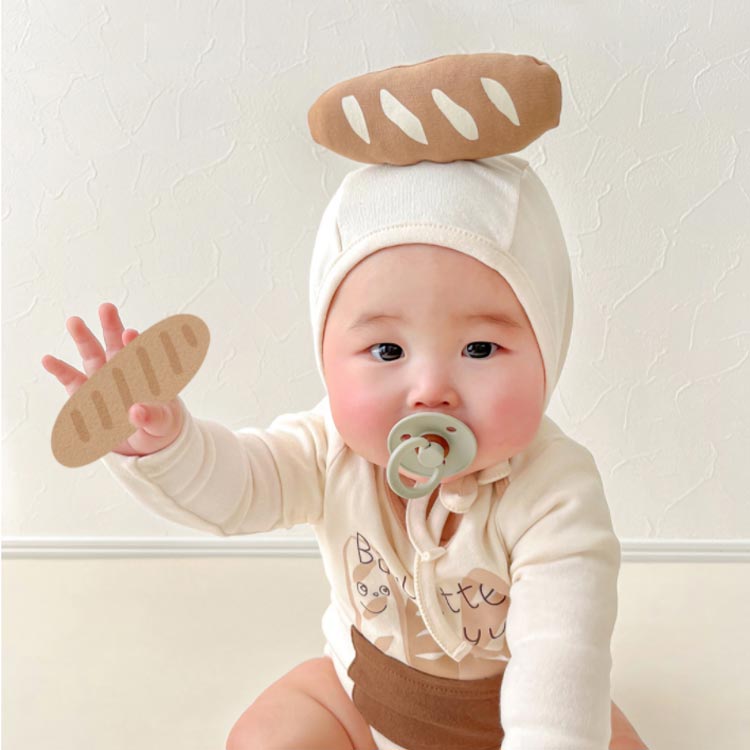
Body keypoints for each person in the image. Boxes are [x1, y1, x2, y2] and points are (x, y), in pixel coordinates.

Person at [42, 156, 648, 749]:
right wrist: (168, 446)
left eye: (480, 349)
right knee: (265, 738)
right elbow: (242, 487)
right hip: (363, 703)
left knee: (581, 724)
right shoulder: (330, 446)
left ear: (548, 351)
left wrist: (551, 733)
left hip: (512, 719)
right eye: (387, 350)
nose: (431, 390)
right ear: (326, 357)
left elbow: (559, 652)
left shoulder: (556, 492)